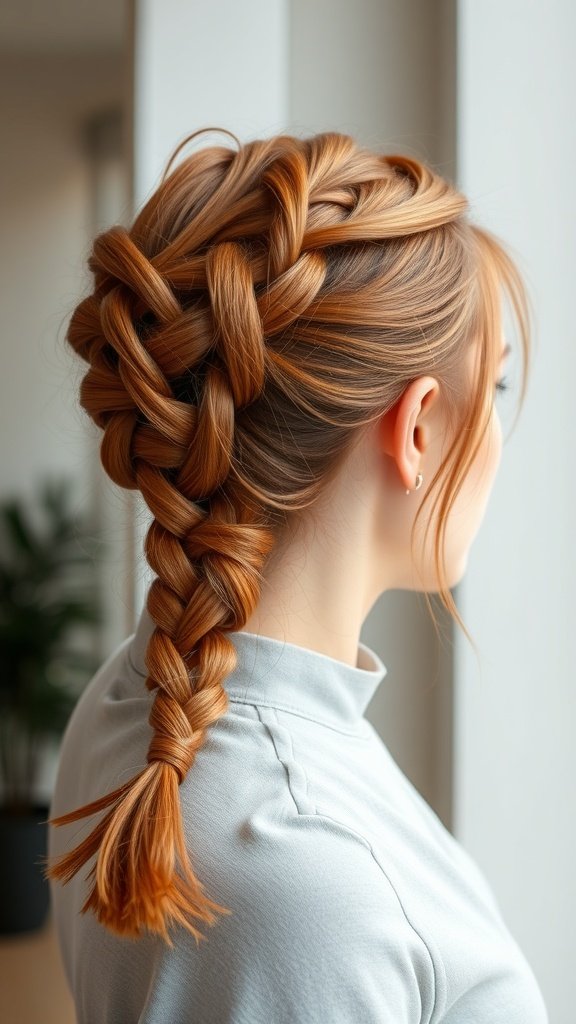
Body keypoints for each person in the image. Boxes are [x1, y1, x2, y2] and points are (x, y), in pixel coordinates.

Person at [45, 127, 549, 1022]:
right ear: (420, 428)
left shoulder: (132, 697)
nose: (501, 439)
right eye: (498, 390)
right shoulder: (312, 887)